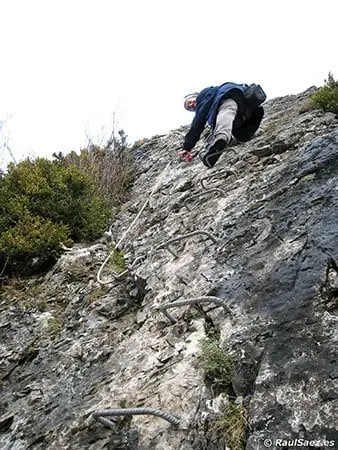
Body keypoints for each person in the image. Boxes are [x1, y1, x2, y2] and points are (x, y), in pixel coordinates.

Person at [181, 82, 265, 168]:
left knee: (227, 111)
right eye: (189, 107)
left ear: (196, 96)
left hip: (229, 98)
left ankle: (221, 138)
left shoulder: (203, 96)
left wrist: (187, 147)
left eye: (190, 102)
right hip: (245, 107)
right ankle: (251, 122)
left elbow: (198, 123)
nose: (191, 105)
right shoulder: (211, 97)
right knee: (241, 135)